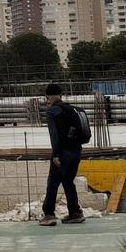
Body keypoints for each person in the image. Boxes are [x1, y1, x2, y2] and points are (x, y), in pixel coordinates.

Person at [39, 82, 85, 226]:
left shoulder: (52, 111)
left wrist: (56, 155)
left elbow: (54, 135)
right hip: (76, 152)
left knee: (53, 182)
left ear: (47, 96)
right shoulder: (71, 109)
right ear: (61, 95)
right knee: (68, 182)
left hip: (62, 153)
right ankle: (75, 213)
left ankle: (48, 214)